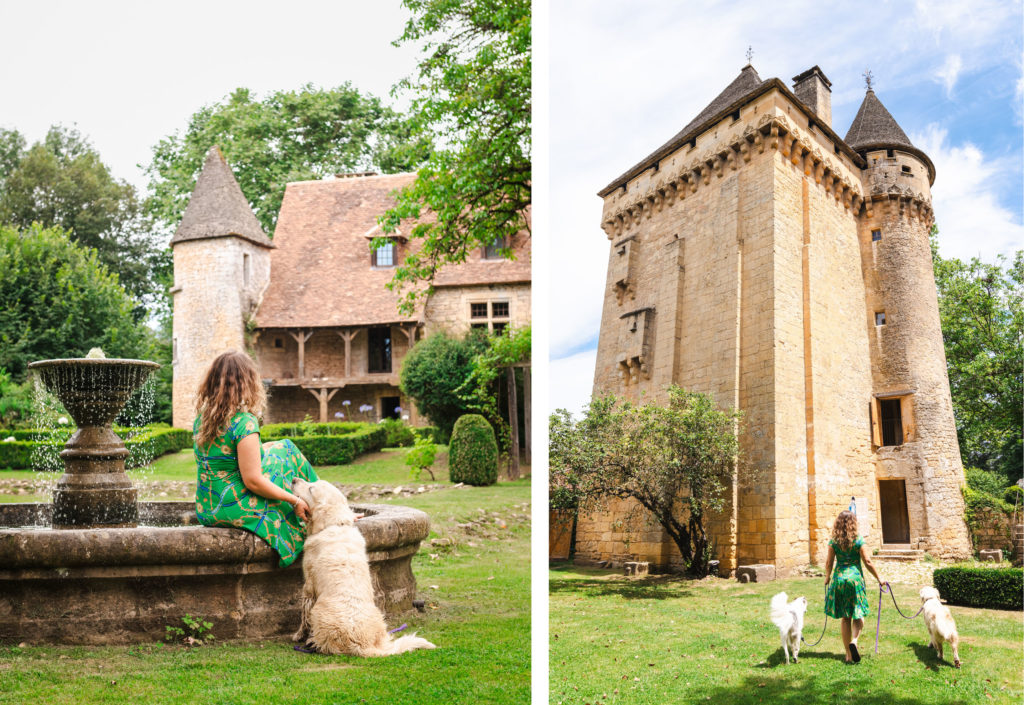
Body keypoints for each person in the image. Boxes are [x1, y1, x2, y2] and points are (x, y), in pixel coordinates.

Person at [192, 350, 318, 567]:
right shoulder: (244, 422)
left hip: (208, 509)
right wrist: (295, 500)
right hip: (236, 507)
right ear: (248, 382)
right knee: (287, 450)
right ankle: (324, 508)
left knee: (279, 448)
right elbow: (253, 481)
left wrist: (266, 447)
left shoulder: (203, 421)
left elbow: (230, 456)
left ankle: (324, 504)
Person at [823, 509, 883, 664]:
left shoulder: (833, 541)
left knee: (845, 618)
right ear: (853, 523)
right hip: (855, 580)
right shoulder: (858, 540)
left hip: (840, 580)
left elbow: (829, 562)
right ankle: (854, 641)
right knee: (859, 614)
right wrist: (879, 578)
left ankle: (848, 654)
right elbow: (867, 561)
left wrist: (827, 577)